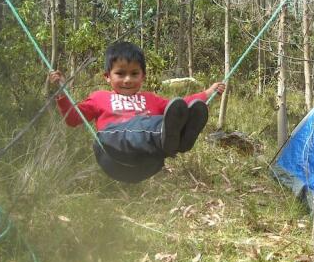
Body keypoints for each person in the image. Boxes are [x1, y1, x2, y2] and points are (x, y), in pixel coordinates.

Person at [49, 41, 226, 183]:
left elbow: (180, 106)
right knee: (140, 126)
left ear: (143, 76)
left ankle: (181, 139)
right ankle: (167, 135)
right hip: (113, 153)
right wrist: (63, 93)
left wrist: (207, 93)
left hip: (147, 162)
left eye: (134, 74)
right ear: (107, 76)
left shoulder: (151, 99)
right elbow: (72, 119)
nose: (128, 79)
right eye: (120, 73)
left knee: (171, 114)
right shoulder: (99, 97)